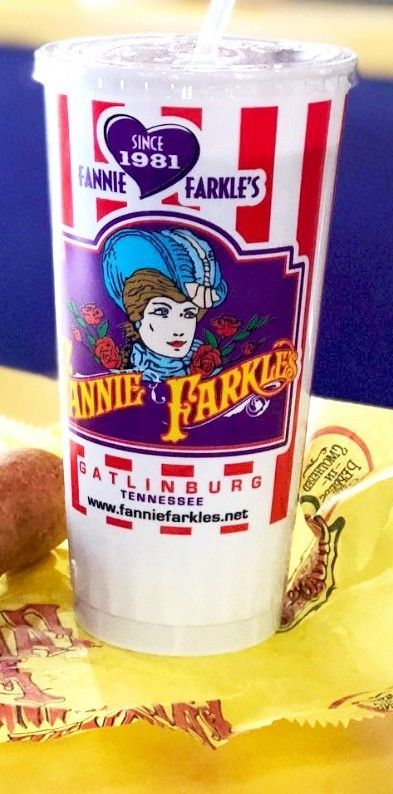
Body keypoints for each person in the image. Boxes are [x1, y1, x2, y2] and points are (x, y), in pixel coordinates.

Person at [102, 227, 227, 382]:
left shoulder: (207, 365)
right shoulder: (127, 367)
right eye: (162, 311)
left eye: (188, 313)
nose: (178, 331)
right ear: (136, 317)